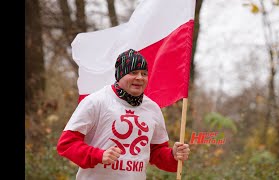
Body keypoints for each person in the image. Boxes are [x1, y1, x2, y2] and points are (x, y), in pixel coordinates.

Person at [57, 49, 190, 180]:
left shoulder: (152, 108)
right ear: (120, 75)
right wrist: (99, 155)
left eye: (144, 73)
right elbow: (67, 144)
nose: (139, 78)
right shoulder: (96, 101)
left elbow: (156, 152)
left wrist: (173, 155)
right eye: (133, 72)